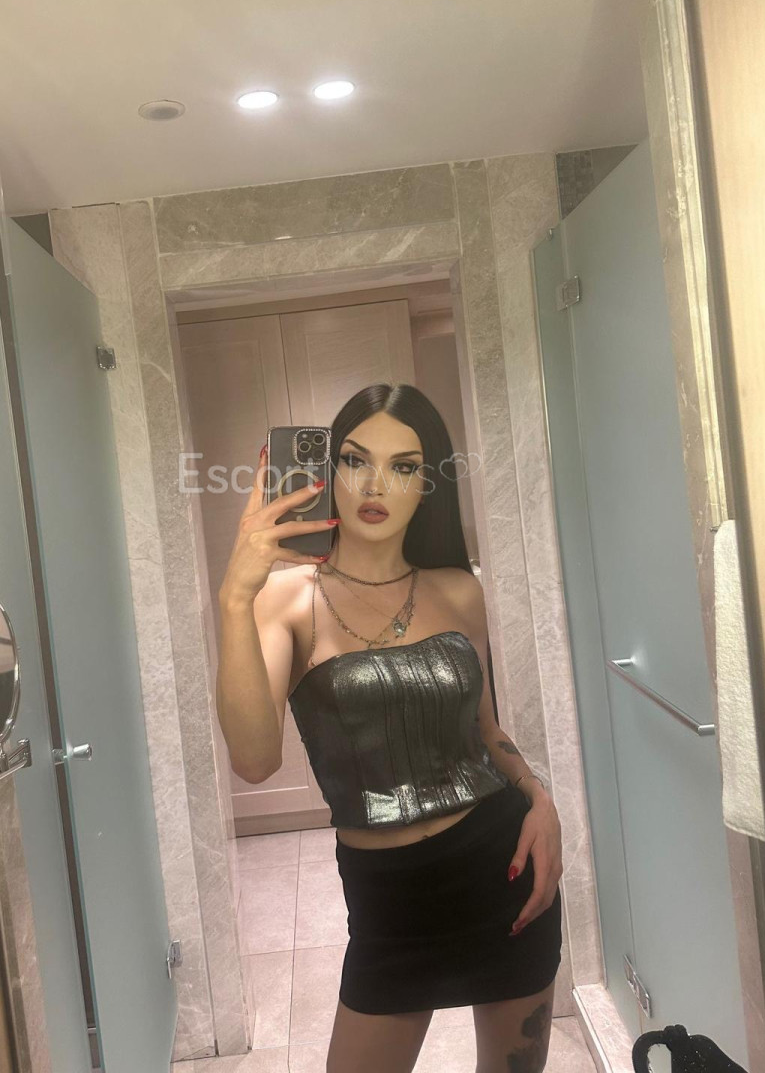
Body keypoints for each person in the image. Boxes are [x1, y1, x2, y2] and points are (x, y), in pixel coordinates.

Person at [217, 383, 563, 1073]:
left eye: (404, 466)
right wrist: (234, 596)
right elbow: (254, 761)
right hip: (387, 897)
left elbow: (485, 729)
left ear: (428, 484)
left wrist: (540, 796)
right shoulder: (284, 600)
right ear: (329, 471)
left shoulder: (459, 590)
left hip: (500, 871)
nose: (375, 484)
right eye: (355, 460)